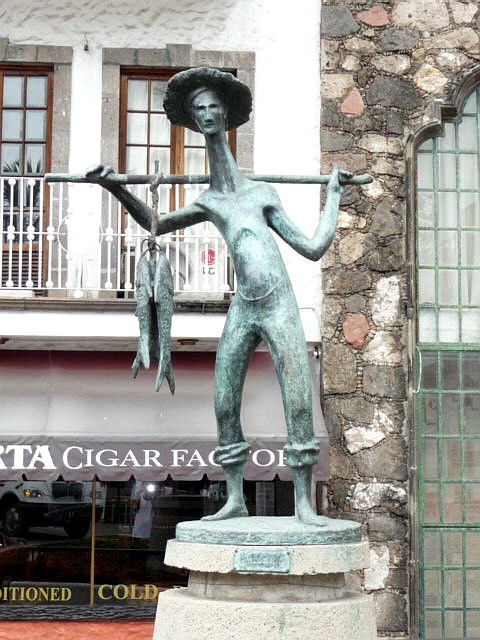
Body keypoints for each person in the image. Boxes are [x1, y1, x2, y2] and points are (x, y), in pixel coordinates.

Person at [87, 67, 350, 526]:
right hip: (244, 306)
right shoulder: (211, 202)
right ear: (194, 119)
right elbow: (155, 222)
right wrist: (116, 188)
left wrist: (332, 196)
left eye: (213, 107)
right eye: (199, 109)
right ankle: (234, 498)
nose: (207, 113)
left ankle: (305, 505)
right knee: (224, 399)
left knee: (297, 399)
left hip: (280, 302)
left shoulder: (261, 192)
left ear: (225, 115)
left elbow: (313, 248)